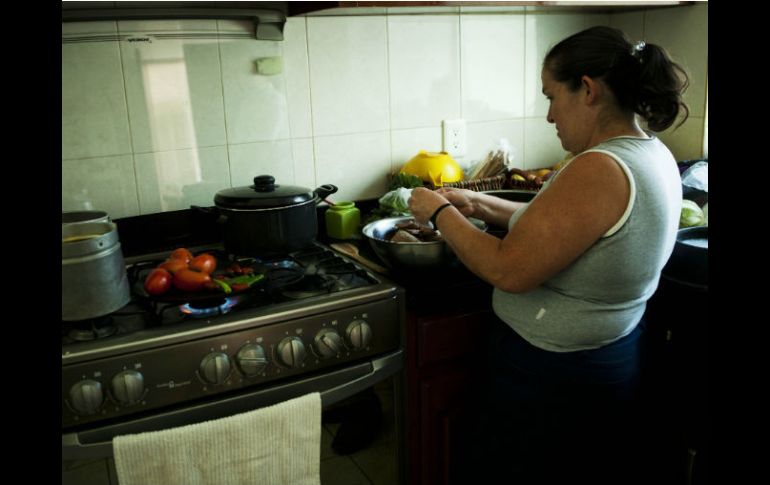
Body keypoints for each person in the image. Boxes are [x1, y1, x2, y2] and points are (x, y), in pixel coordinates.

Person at [408, 26, 689, 484]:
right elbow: (561, 227)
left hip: (555, 375)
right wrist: (476, 203)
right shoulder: (649, 151)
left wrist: (439, 212)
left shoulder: (600, 168)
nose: (549, 116)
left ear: (588, 90)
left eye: (552, 97)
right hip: (602, 357)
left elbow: (508, 269)